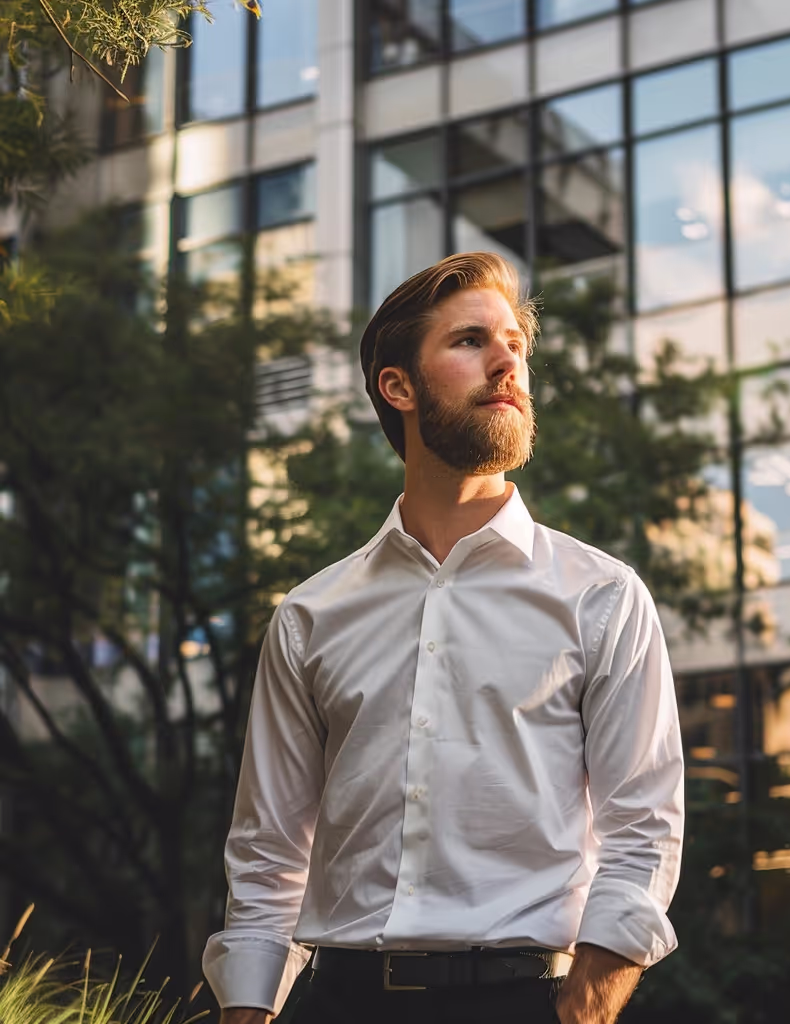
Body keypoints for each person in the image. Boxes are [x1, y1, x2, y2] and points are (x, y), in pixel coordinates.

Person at [202, 252, 685, 1024]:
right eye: (469, 342)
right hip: (338, 1001)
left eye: (515, 346)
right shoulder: (311, 614)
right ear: (398, 386)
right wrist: (249, 1010)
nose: (507, 364)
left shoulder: (602, 596)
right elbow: (267, 852)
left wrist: (585, 1010)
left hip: (526, 1001)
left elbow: (644, 827)